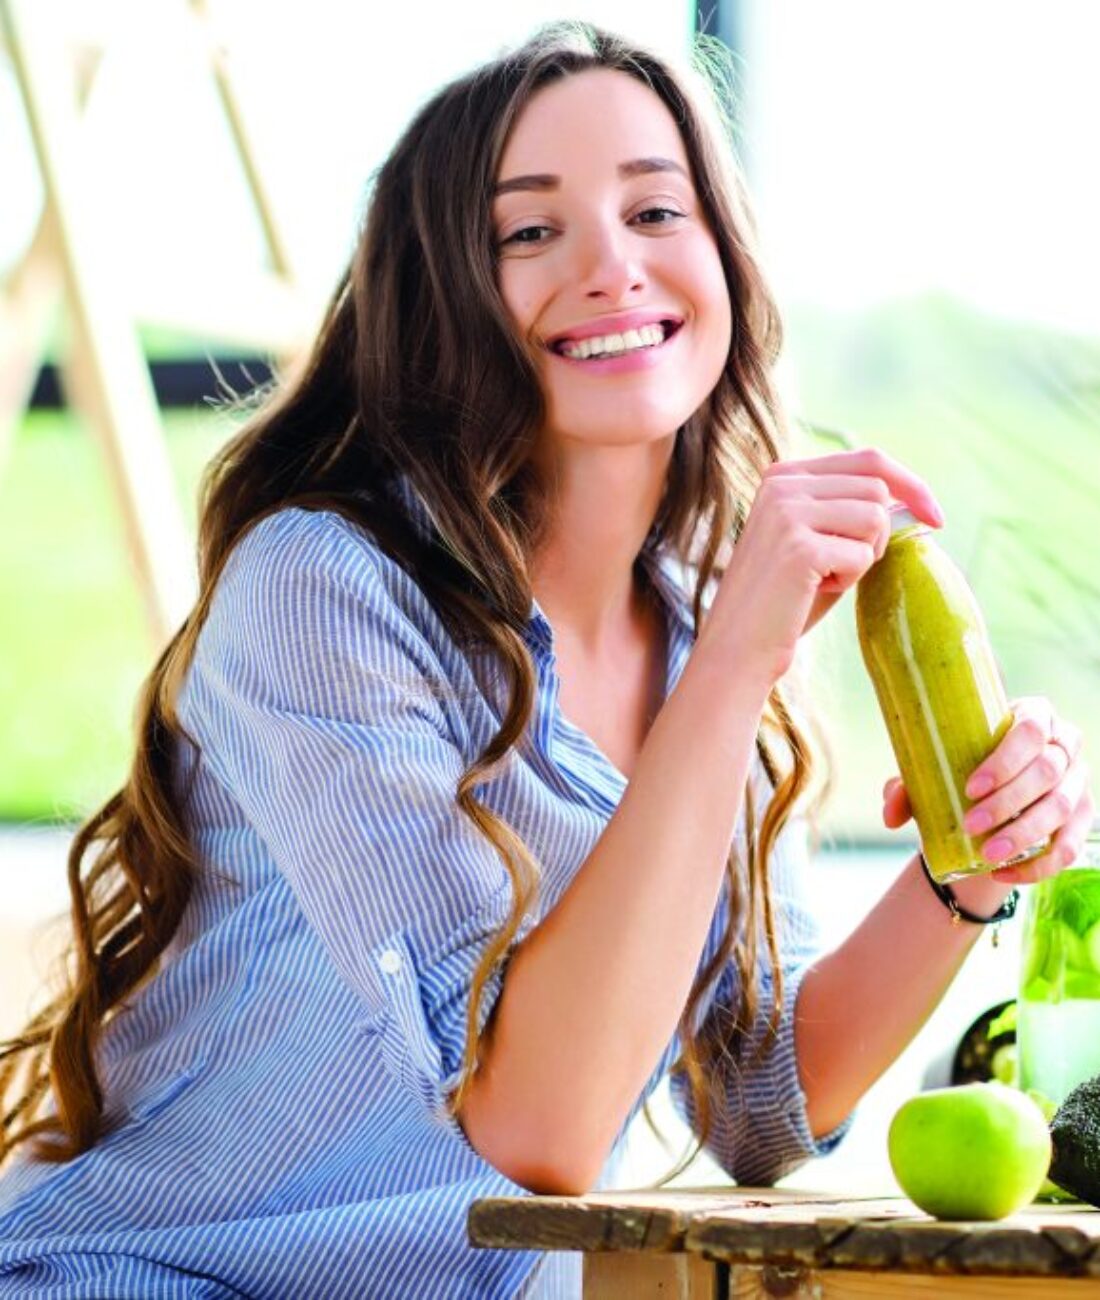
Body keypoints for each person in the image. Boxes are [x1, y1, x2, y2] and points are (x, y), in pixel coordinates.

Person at [0, 21, 1092, 1300]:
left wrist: (962, 870)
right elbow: (533, 1128)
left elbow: (758, 1099)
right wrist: (732, 666)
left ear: (724, 258)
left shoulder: (701, 613)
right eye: (529, 232)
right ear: (439, 299)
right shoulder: (324, 587)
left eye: (654, 210)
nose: (611, 267)